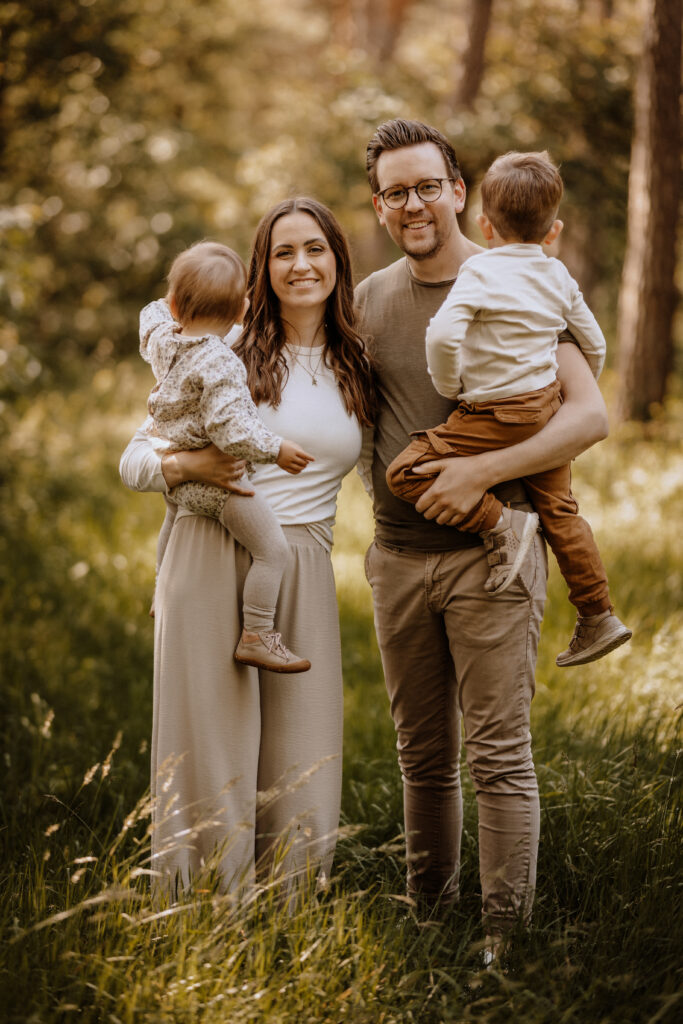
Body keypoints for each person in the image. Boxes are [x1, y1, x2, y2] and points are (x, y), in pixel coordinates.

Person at [354, 119, 610, 955]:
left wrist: (474, 477)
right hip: (395, 562)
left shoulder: (520, 279)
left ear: (460, 192)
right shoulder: (366, 300)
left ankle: (505, 940)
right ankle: (429, 915)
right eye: (396, 191)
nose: (414, 203)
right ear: (380, 205)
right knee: (420, 756)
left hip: (489, 563)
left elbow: (588, 414)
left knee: (498, 758)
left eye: (428, 185)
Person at [120, 198, 375, 896]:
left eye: (315, 248)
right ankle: (204, 916)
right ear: (258, 270)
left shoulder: (357, 361)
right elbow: (133, 460)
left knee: (304, 753)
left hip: (302, 563)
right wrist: (186, 467)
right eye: (282, 252)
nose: (301, 265)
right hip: (209, 548)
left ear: (337, 260)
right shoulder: (219, 347)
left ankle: (290, 911)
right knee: (212, 750)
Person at [385, 151, 631, 668]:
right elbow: (594, 341)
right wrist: (564, 382)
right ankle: (597, 614)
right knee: (562, 513)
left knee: (405, 472)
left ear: (484, 223)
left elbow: (444, 335)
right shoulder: (558, 276)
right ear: (553, 230)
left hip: (491, 415)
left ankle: (501, 525)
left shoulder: (478, 272)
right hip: (544, 408)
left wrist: (451, 382)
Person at [140, 240, 314, 673]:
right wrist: (277, 449)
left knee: (170, 520)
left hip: (179, 471)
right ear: (242, 311)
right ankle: (258, 633)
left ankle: (162, 592)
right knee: (272, 551)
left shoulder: (164, 340)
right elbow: (229, 428)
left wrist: (171, 301)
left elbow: (150, 315)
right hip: (220, 485)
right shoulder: (220, 361)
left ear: (176, 303)